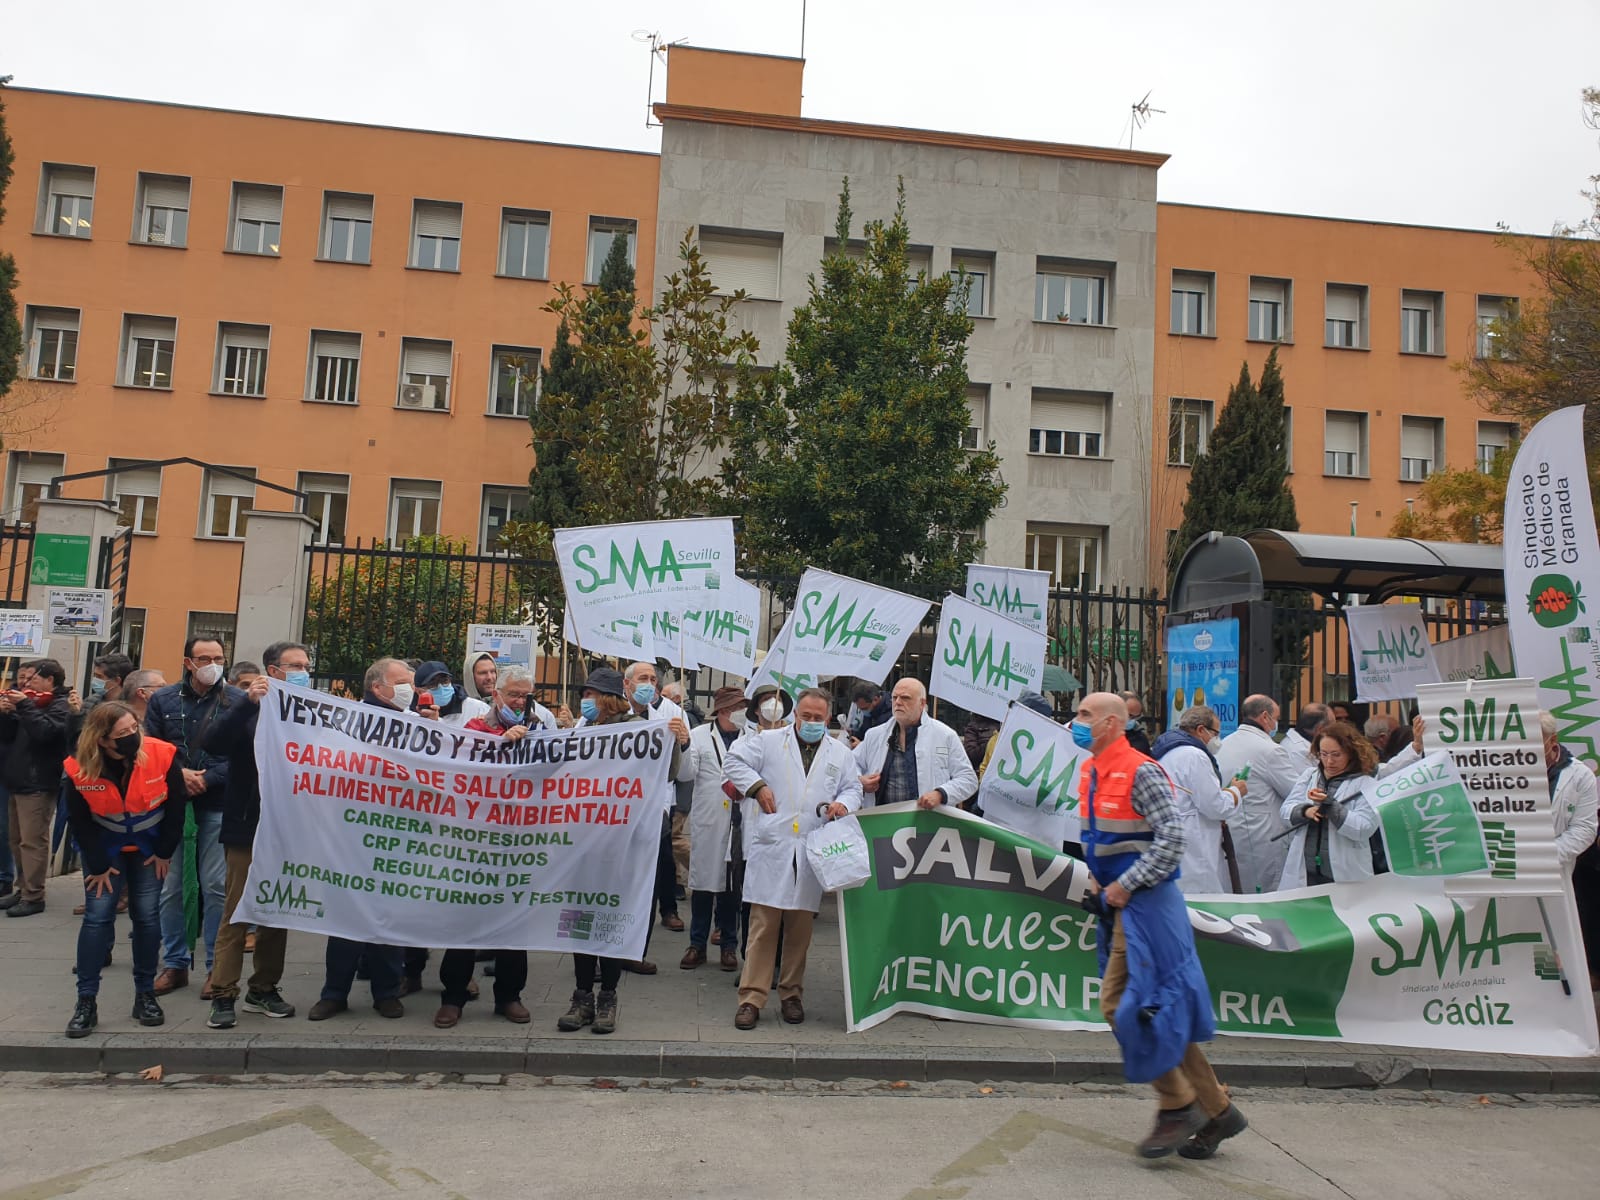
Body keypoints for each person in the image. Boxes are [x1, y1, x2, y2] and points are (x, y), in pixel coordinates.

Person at [1073, 691, 1246, 1160]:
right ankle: (1217, 1109)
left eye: (1085, 715)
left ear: (1112, 724)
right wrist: (1098, 881)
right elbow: (1098, 837)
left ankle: (1177, 1103)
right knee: (1158, 1013)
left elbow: (1173, 838)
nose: (1077, 721)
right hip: (1121, 908)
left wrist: (1125, 885)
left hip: (1148, 907)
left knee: (1121, 1005)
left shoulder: (1143, 769)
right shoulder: (1090, 771)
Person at [725, 687, 863, 1030]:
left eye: (819, 718)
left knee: (800, 930)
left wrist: (843, 804)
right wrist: (757, 787)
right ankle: (751, 998)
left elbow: (853, 787)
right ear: (795, 715)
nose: (812, 723)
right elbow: (733, 761)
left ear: (828, 719)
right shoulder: (770, 741)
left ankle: (791, 994)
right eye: (806, 717)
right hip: (774, 843)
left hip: (812, 845)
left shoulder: (840, 753)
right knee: (763, 927)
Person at [555, 667, 682, 1035]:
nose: (586, 702)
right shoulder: (582, 732)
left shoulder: (639, 730)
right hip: (583, 843)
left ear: (608, 698)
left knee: (610, 921)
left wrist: (672, 741)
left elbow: (668, 773)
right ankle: (581, 997)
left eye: (591, 695)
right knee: (581, 921)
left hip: (622, 844)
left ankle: (608, 997)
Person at [61, 702, 186, 1037]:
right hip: (105, 848)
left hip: (150, 848)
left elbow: (176, 805)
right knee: (97, 917)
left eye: (135, 727)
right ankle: (85, 1000)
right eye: (124, 733)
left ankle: (144, 994)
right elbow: (79, 820)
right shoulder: (78, 767)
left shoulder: (161, 753)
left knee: (146, 917)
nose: (134, 736)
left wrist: (164, 852)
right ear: (102, 740)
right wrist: (98, 865)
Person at [201, 641, 308, 1029]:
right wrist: (248, 701)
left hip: (288, 829)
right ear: (273, 670)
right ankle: (223, 993)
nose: (302, 670)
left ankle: (263, 988)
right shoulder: (248, 710)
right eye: (294, 665)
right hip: (248, 827)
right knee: (237, 912)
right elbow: (212, 743)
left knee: (276, 912)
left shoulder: (308, 711)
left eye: (306, 665)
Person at [309, 657, 418, 1021]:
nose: (410, 690)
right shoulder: (347, 723)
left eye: (412, 684)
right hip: (350, 837)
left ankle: (387, 991)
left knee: (388, 917)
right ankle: (334, 992)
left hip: (396, 837)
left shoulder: (419, 727)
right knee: (344, 916)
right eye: (403, 682)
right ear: (378, 688)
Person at [433, 664, 538, 1028]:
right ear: (496, 696)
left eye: (526, 695)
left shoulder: (540, 731)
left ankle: (509, 995)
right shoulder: (476, 730)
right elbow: (459, 771)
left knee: (513, 924)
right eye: (514, 695)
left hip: (518, 842)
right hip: (475, 842)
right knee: (465, 922)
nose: (521, 702)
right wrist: (499, 748)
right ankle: (453, 996)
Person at [144, 636, 243, 997]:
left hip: (218, 804)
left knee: (216, 887)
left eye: (218, 657)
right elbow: (151, 747)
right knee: (172, 889)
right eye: (205, 658)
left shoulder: (239, 701)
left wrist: (208, 778)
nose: (213, 664)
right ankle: (174, 963)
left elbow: (246, 754)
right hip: (174, 807)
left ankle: (216, 968)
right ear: (188, 663)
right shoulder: (163, 699)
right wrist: (178, 775)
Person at [623, 660, 693, 955]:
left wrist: (684, 743)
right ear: (626, 684)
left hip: (654, 806)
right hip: (615, 810)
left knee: (655, 869)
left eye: (653, 679)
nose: (649, 684)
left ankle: (638, 945)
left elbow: (684, 773)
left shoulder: (671, 716)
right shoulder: (608, 714)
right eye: (642, 678)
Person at [0, 659, 74, 918]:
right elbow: (9, 737)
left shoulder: (60, 704)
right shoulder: (31, 703)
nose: (26, 683)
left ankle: (34, 894)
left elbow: (44, 733)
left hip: (38, 781)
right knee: (16, 840)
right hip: (17, 778)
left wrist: (24, 705)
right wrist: (7, 714)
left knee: (33, 841)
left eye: (32, 678)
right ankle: (22, 888)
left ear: (50, 679)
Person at [682, 686, 748, 972]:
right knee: (703, 886)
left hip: (740, 820)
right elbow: (687, 773)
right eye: (738, 708)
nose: (743, 713)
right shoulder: (699, 737)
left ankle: (729, 945)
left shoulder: (752, 738)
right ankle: (696, 944)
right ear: (723, 711)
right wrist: (683, 746)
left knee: (732, 887)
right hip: (710, 820)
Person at [1150, 705, 1247, 894]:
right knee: (1200, 901)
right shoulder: (1194, 755)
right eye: (1216, 733)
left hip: (1170, 839)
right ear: (1201, 730)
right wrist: (1236, 791)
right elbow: (1215, 806)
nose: (1217, 740)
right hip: (1193, 845)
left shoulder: (1164, 750)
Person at [1213, 695, 1302, 894]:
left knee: (1236, 888)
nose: (1276, 723)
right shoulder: (1271, 750)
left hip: (1232, 831)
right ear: (1265, 717)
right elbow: (1295, 791)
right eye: (1276, 717)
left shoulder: (1225, 744)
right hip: (1263, 837)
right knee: (1265, 894)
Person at [1277, 721, 1381, 889]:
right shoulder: (1310, 776)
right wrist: (1305, 811)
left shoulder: (1365, 783)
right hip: (1306, 873)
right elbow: (1285, 812)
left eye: (1336, 754)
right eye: (1323, 754)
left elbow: (1364, 828)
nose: (1329, 761)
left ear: (1351, 753)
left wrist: (1331, 807)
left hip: (1345, 875)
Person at [854, 678, 978, 810]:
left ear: (922, 703)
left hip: (926, 822)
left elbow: (968, 779)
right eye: (894, 697)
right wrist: (860, 780)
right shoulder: (874, 735)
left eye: (905, 698)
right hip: (883, 822)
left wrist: (941, 794)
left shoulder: (945, 735)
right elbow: (850, 764)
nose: (898, 702)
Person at [1118, 691, 1153, 756]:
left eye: (1137, 716)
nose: (1133, 720)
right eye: (1130, 715)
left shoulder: (1140, 738)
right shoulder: (1102, 737)